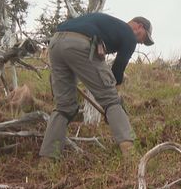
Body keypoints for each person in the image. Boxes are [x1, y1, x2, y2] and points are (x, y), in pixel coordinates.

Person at [39, 13, 154, 159]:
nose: (142, 43)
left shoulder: (107, 23)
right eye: (144, 38)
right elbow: (118, 71)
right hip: (80, 44)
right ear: (139, 27)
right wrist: (114, 99)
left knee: (64, 107)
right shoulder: (128, 34)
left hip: (55, 43)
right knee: (111, 100)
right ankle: (131, 156)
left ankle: (47, 158)